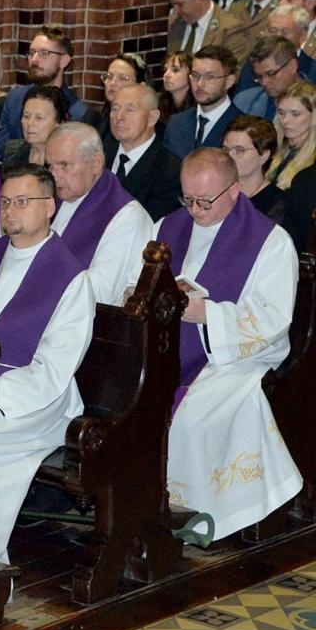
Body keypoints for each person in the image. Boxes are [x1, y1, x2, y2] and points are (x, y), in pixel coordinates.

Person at [140, 149, 303, 538]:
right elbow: (136, 283)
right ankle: (141, 507)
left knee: (192, 420)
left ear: (234, 191)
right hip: (166, 349)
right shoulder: (167, 226)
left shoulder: (271, 242)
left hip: (236, 356)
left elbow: (273, 317)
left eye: (205, 201)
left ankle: (197, 514)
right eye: (188, 199)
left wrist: (207, 315)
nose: (195, 210)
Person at [0, 166, 94, 564]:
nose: (11, 211)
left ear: (49, 206)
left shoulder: (70, 277)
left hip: (37, 401)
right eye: (5, 203)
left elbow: (54, 368)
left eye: (22, 202)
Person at [44, 123, 152, 304]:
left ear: (95, 164)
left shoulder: (127, 217)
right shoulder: (51, 199)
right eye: (50, 165)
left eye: (64, 165)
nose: (54, 175)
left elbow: (101, 293)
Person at [0, 27, 92, 161]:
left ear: (64, 61)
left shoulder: (78, 112)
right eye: (32, 53)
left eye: (44, 53)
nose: (34, 59)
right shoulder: (15, 98)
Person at [107, 83, 183, 220]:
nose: (119, 117)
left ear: (152, 117)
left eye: (130, 109)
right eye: (115, 108)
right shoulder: (99, 156)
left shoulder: (170, 169)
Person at [163, 45, 242, 158]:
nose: (199, 84)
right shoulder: (176, 123)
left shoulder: (242, 126)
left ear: (229, 81)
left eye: (210, 77)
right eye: (195, 75)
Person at [267, 81, 316, 245]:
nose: (285, 121)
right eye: (281, 113)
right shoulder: (274, 151)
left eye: (295, 114)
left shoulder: (312, 164)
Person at [224, 115, 284, 222]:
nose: (229, 157)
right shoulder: (216, 191)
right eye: (226, 149)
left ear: (264, 156)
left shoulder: (278, 204)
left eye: (239, 150)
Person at [0, 84, 67, 169]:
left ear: (59, 123)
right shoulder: (12, 152)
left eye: (39, 118)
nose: (30, 123)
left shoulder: (64, 161)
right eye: (26, 116)